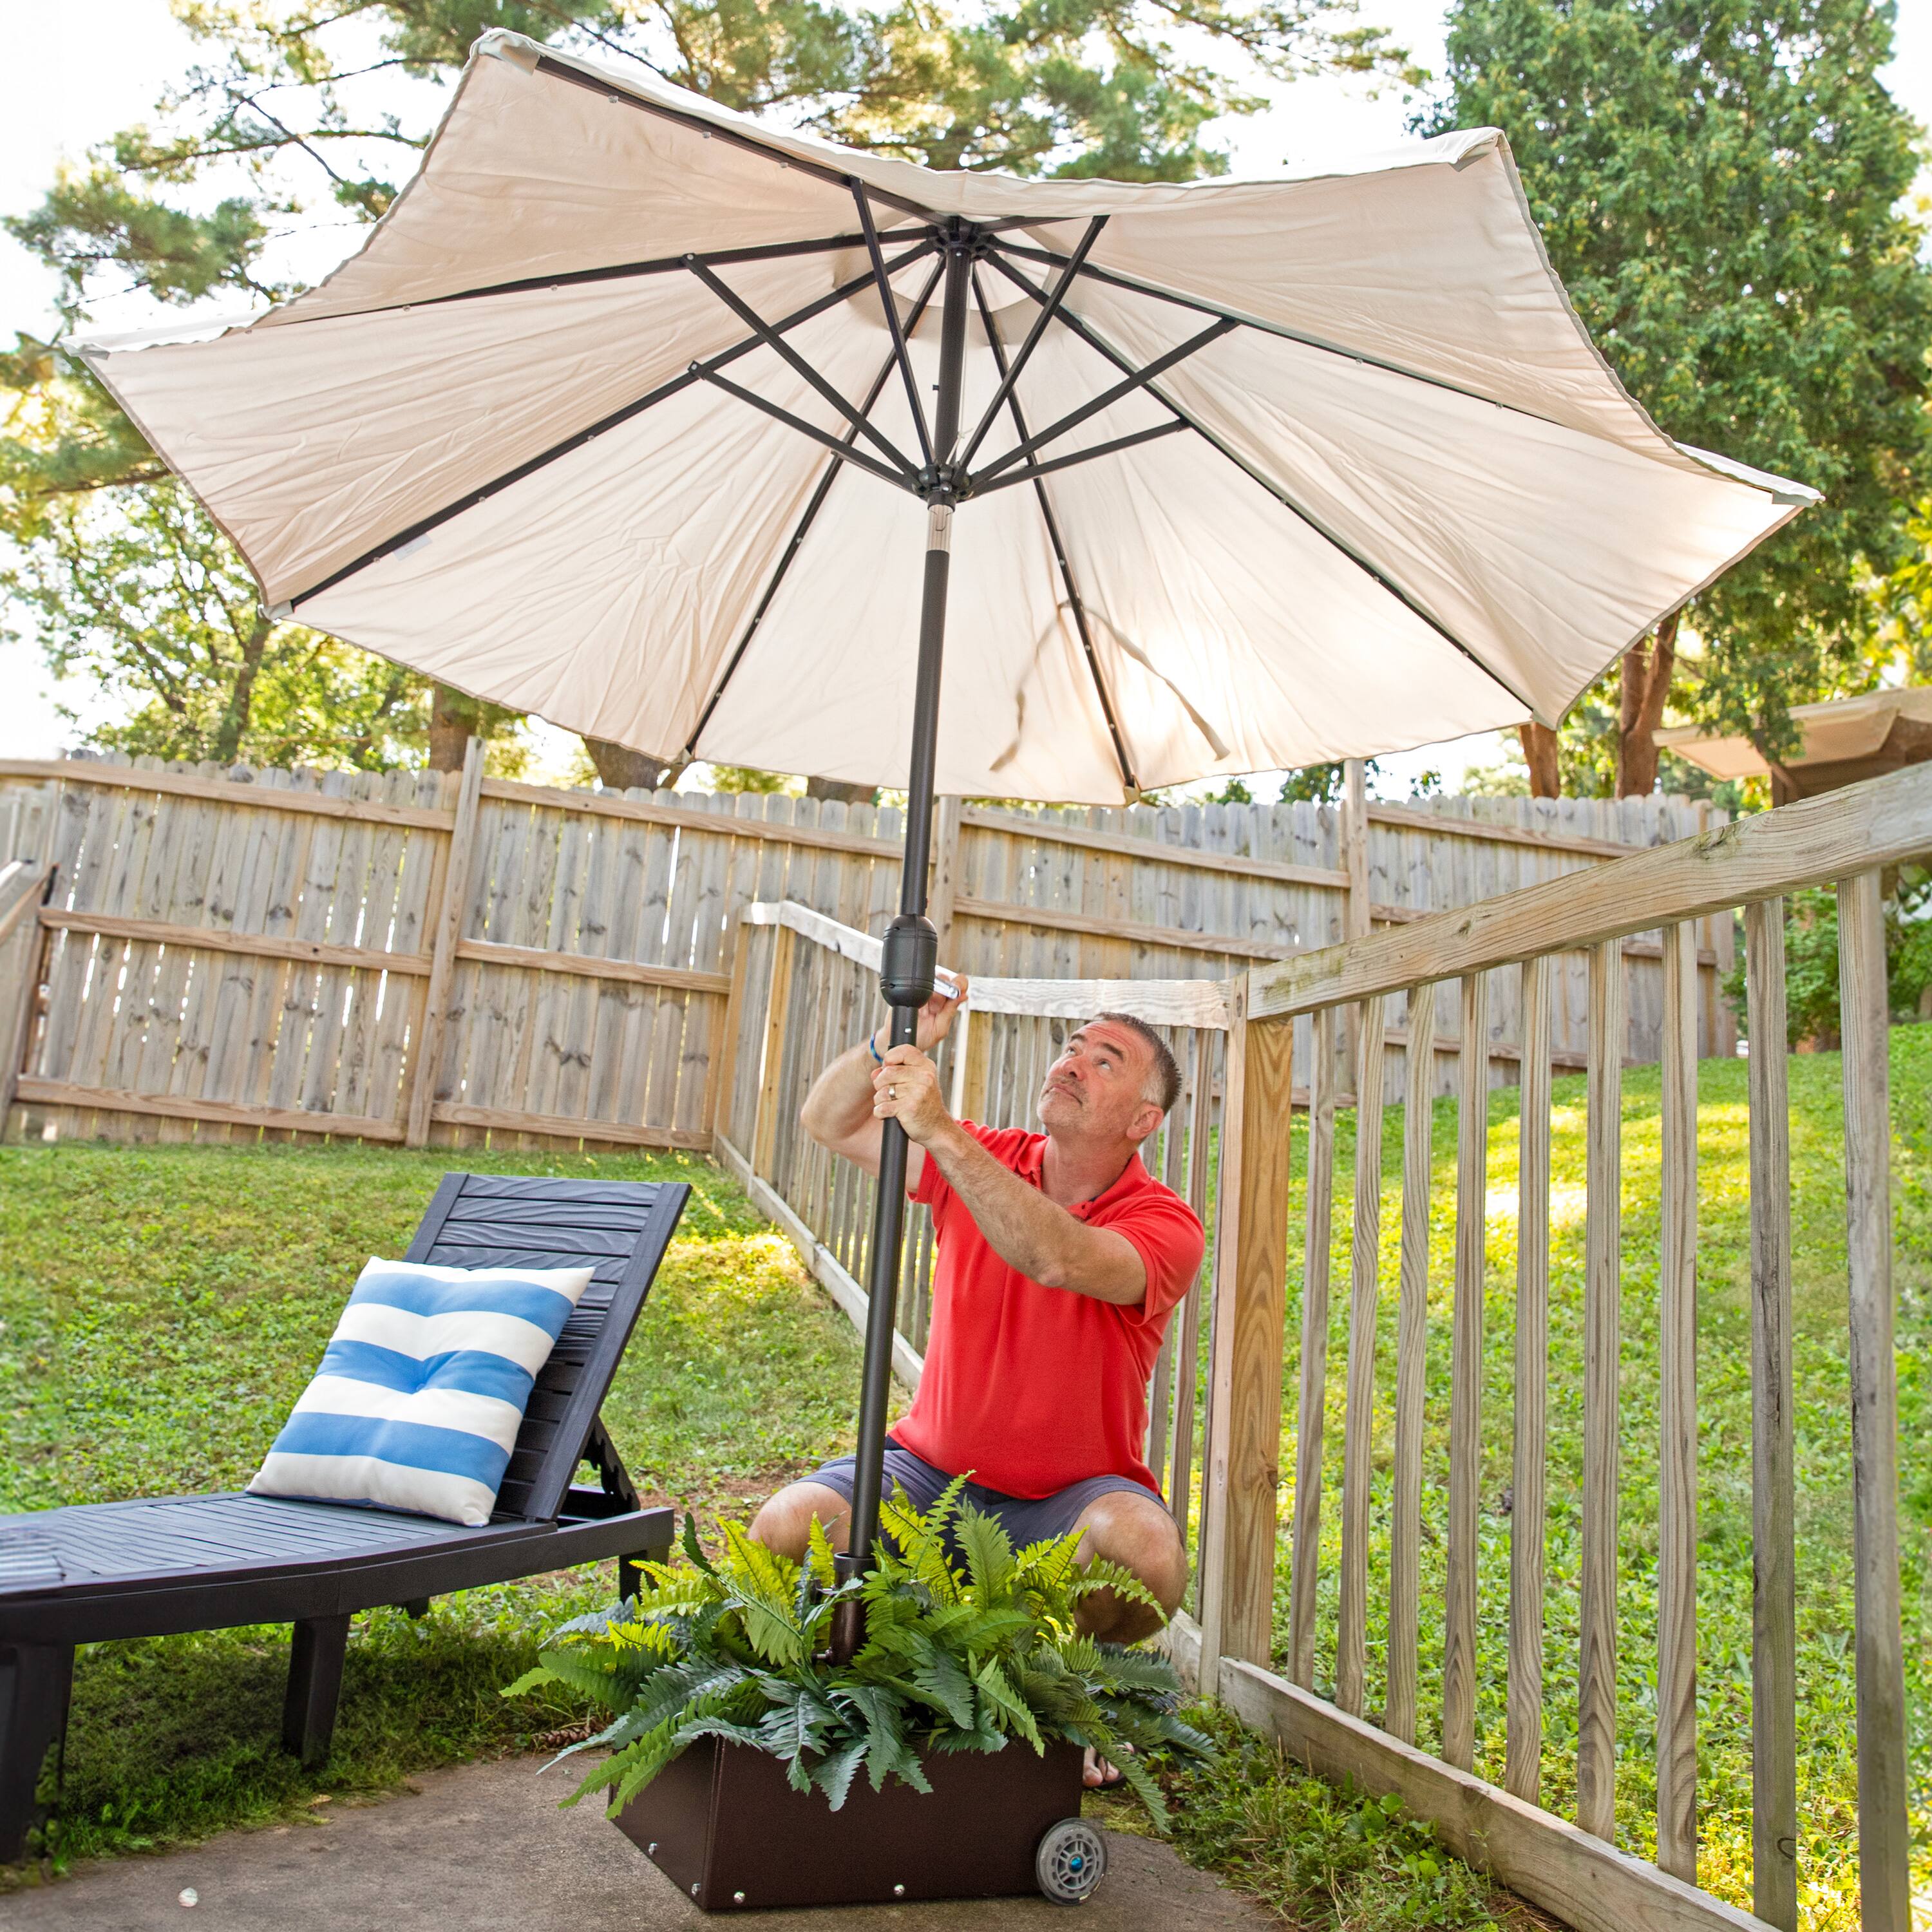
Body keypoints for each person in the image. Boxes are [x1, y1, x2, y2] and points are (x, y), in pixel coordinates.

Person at [751, 978, 1204, 1781]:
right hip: (926, 1474)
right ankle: (884, 1682)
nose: (1073, 1062)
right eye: (1072, 1046)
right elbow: (828, 1122)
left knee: (1146, 1555)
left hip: (1070, 1505)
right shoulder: (987, 1158)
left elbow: (1054, 1255)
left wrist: (942, 1133)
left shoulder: (1165, 1225)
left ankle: (1073, 1687)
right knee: (784, 1530)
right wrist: (894, 1046)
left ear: (1144, 1122)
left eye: (1106, 1060)